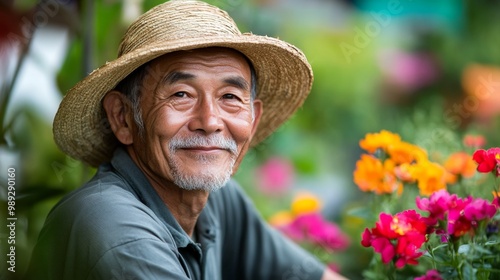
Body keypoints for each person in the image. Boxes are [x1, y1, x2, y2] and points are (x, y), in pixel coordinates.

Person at [26, 0, 348, 279]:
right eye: (181, 94)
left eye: (230, 97)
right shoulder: (113, 228)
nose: (209, 122)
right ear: (123, 118)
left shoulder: (216, 200)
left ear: (253, 119)